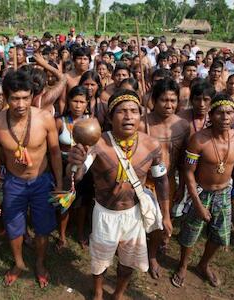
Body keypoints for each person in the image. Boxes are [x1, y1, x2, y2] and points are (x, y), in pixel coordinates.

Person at [68, 89, 172, 300]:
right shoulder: (97, 144)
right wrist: (75, 163)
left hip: (134, 214)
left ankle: (118, 294)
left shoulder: (151, 145)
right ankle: (97, 292)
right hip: (106, 214)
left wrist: (167, 215)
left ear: (140, 115)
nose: (128, 116)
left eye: (133, 111)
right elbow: (79, 176)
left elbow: (161, 180)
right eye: (122, 111)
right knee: (100, 260)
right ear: (110, 116)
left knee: (128, 261)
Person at [0, 70, 62, 288]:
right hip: (14, 182)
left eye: (25, 98)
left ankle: (39, 263)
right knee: (13, 226)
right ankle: (18, 263)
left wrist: (59, 182)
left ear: (32, 95)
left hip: (42, 180)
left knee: (43, 227)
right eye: (15, 98)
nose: (20, 104)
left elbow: (55, 153)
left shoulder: (45, 118)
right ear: (6, 96)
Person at [171, 93, 234, 288]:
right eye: (220, 113)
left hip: (224, 192)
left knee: (220, 234)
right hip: (200, 192)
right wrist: (197, 203)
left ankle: (204, 264)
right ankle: (183, 265)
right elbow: (188, 172)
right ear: (211, 116)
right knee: (189, 233)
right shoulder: (199, 140)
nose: (225, 117)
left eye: (230, 112)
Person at [139, 78, 190, 279]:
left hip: (168, 181)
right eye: (163, 100)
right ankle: (134, 248)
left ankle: (152, 255)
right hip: (143, 180)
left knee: (162, 221)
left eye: (173, 100)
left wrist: (183, 185)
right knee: (139, 219)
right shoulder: (142, 123)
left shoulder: (183, 125)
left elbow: (185, 160)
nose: (169, 105)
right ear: (153, 100)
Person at [56, 86, 93, 250]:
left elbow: (94, 146)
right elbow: (54, 147)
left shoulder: (91, 121)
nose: (78, 105)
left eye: (82, 102)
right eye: (75, 101)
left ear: (87, 103)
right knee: (65, 202)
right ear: (68, 102)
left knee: (82, 203)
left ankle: (80, 233)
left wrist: (84, 164)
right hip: (64, 166)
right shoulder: (60, 121)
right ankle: (62, 236)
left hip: (84, 167)